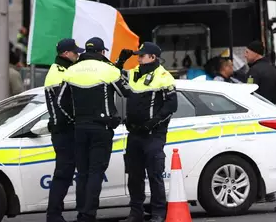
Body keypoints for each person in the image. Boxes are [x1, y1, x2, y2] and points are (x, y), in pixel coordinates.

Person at [60, 37, 130, 222]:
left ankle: (82, 212)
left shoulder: (71, 70)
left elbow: (61, 101)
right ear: (102, 52)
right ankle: (88, 214)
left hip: (79, 128)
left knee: (82, 172)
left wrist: (72, 119)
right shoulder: (108, 70)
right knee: (96, 172)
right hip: (101, 128)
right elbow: (126, 92)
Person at [117, 42, 178, 222]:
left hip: (153, 135)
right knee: (134, 176)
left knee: (154, 174)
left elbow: (171, 105)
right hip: (134, 133)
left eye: (142, 55)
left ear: (152, 57)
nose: (138, 58)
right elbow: (115, 80)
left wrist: (152, 123)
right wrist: (120, 61)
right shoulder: (135, 72)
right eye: (138, 55)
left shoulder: (164, 76)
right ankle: (136, 213)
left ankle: (159, 212)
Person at [44, 38, 84, 222]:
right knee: (63, 173)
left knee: (66, 173)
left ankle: (57, 213)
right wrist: (75, 122)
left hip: (65, 130)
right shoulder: (58, 73)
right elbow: (63, 106)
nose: (78, 55)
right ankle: (53, 215)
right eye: (75, 52)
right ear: (65, 54)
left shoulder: (64, 69)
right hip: (64, 130)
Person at [245, 41, 276, 105]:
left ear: (255, 53)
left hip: (259, 109)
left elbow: (249, 91)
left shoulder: (254, 70)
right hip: (272, 107)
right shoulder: (272, 68)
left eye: (247, 52)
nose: (245, 55)